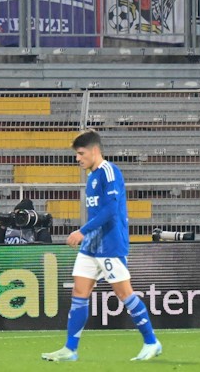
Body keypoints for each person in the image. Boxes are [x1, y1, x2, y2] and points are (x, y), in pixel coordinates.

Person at [42, 131, 161, 363]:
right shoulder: (91, 176)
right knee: (79, 291)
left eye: (81, 153)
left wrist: (81, 231)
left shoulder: (110, 172)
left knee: (124, 293)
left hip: (110, 244)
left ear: (94, 151)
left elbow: (110, 211)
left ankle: (151, 341)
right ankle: (70, 349)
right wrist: (87, 236)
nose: (78, 158)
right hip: (91, 246)